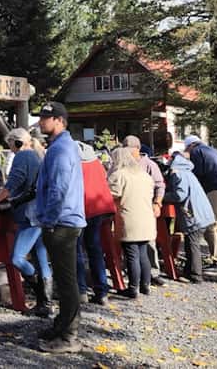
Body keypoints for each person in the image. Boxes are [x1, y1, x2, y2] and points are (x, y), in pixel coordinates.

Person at [0, 128, 51, 317]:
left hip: (29, 214)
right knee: (41, 258)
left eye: (10, 145)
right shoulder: (38, 155)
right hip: (40, 212)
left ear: (16, 143)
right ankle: (46, 304)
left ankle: (41, 296)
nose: (9, 149)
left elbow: (12, 184)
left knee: (17, 258)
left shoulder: (22, 156)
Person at [34, 102, 86, 354]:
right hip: (64, 220)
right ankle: (62, 325)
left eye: (47, 118)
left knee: (66, 282)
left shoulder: (61, 149)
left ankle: (69, 337)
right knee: (66, 279)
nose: (42, 122)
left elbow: (59, 188)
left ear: (59, 121)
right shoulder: (61, 146)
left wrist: (50, 220)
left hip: (62, 223)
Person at [108, 147, 157, 299]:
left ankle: (133, 287)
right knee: (143, 253)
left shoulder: (119, 175)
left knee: (131, 254)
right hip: (146, 219)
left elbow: (110, 194)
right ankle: (145, 285)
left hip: (129, 219)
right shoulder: (145, 176)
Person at [184, 135, 217, 276]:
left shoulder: (196, 152)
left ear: (190, 145)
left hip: (214, 191)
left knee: (209, 225)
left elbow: (196, 173)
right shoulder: (213, 151)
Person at [163, 151, 215, 283]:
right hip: (203, 213)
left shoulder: (177, 173)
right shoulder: (187, 171)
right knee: (190, 242)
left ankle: (195, 275)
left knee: (193, 244)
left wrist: (162, 197)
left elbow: (180, 195)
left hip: (193, 214)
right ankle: (189, 270)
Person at [121, 135, 167, 286]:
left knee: (148, 244)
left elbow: (160, 185)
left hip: (146, 208)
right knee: (131, 247)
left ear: (138, 149)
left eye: (131, 150)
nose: (128, 153)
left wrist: (157, 203)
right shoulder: (123, 164)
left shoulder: (149, 165)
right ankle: (132, 274)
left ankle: (153, 273)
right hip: (128, 209)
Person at [76, 141, 117, 305]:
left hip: (81, 209)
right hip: (98, 208)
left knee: (77, 250)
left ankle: (81, 291)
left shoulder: (75, 164)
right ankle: (102, 291)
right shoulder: (96, 163)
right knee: (95, 249)